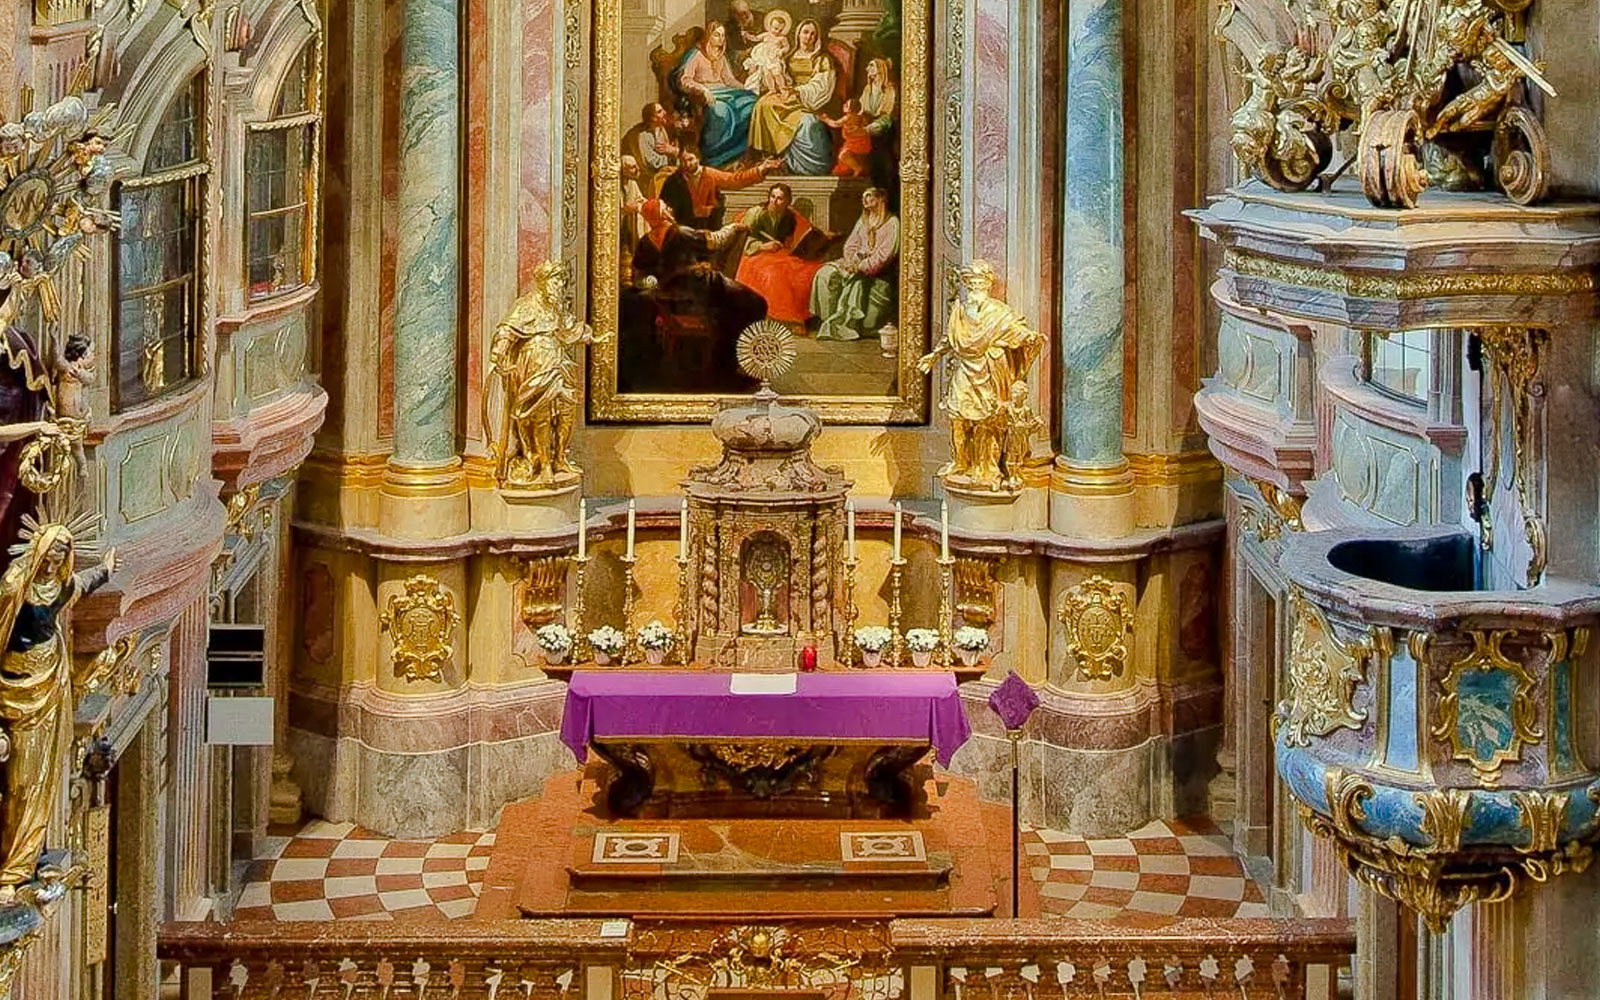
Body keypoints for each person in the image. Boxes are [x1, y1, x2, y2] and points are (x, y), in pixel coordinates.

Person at [0, 521, 118, 901]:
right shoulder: (13, 586)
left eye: (63, 552)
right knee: (19, 782)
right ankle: (12, 863)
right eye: (53, 550)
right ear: (40, 549)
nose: (56, 559)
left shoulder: (59, 586)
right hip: (16, 687)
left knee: (39, 778)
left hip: (49, 681)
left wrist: (107, 569)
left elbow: (80, 585)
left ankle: (20, 864)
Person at [917, 260, 1045, 491]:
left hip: (989, 371)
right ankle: (960, 461)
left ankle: (986, 468)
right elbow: (950, 338)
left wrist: (1029, 337)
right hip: (964, 370)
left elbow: (1015, 330)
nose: (975, 288)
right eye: (971, 283)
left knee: (985, 422)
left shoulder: (999, 312)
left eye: (979, 283)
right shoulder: (960, 310)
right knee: (957, 418)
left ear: (987, 285)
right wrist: (933, 356)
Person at [622, 200, 764, 393]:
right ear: (664, 215)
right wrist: (733, 227)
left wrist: (656, 284)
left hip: (669, 298)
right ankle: (734, 367)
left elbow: (638, 274)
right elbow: (715, 240)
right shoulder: (680, 232)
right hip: (701, 289)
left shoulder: (645, 242)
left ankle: (726, 365)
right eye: (666, 207)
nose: (671, 209)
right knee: (754, 303)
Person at [489, 262, 606, 487]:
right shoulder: (526, 306)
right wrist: (499, 352)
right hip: (536, 365)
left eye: (562, 281)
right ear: (543, 282)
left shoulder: (557, 308)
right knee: (540, 416)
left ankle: (559, 456)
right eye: (556, 280)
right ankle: (543, 464)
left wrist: (593, 338)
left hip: (560, 364)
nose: (560, 285)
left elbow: (570, 329)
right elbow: (507, 330)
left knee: (567, 411)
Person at [748, 19, 837, 175]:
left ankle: (796, 165)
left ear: (817, 38)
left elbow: (822, 86)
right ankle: (768, 156)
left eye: (812, 34)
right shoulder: (788, 57)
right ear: (798, 34)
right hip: (787, 95)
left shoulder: (822, 59)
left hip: (806, 100)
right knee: (763, 104)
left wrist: (798, 91)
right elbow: (780, 74)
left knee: (807, 123)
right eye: (805, 32)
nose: (808, 36)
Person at [810, 187, 899, 341]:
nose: (865, 200)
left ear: (881, 199)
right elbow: (851, 244)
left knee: (855, 283)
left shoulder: (892, 223)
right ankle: (827, 319)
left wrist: (860, 266)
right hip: (854, 262)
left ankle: (845, 324)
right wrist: (850, 261)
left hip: (876, 271)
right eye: (864, 197)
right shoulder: (863, 220)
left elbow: (884, 256)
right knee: (824, 274)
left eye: (870, 196)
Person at [734, 183, 829, 326]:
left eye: (779, 198)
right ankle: (783, 317)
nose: (774, 201)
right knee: (774, 275)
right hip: (753, 255)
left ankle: (806, 314)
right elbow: (740, 238)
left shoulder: (790, 215)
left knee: (802, 273)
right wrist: (762, 246)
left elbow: (799, 237)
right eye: (772, 197)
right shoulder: (756, 212)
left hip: (779, 255)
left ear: (787, 202)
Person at [679, 22, 759, 168]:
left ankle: (737, 154)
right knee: (722, 111)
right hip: (707, 93)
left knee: (752, 102)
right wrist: (703, 89)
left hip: (725, 91)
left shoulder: (721, 57)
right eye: (717, 35)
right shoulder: (698, 55)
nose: (720, 38)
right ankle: (716, 156)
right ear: (709, 36)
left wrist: (747, 89)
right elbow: (685, 80)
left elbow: (729, 80)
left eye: (722, 35)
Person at [659, 149, 781, 231]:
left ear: (698, 159)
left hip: (709, 228)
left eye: (690, 159)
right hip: (684, 230)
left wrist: (762, 168)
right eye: (683, 160)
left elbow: (735, 180)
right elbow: (665, 204)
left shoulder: (710, 174)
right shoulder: (674, 180)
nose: (687, 164)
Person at [620, 103, 679, 196]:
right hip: (649, 180)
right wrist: (671, 157)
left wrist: (672, 152)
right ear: (653, 118)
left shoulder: (661, 130)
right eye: (660, 112)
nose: (665, 112)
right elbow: (651, 162)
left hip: (663, 173)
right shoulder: (643, 136)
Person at [741, 9, 794, 94]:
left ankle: (782, 88)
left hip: (774, 58)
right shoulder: (766, 34)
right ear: (770, 26)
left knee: (777, 73)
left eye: (780, 30)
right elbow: (756, 38)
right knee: (767, 74)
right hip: (765, 58)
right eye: (775, 28)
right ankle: (772, 89)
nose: (777, 32)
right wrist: (747, 35)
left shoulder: (782, 38)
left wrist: (782, 51)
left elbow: (787, 47)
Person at [821, 99, 873, 178]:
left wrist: (826, 119)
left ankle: (857, 168)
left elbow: (835, 124)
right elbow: (865, 125)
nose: (843, 105)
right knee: (845, 157)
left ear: (851, 108)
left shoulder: (847, 117)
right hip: (860, 141)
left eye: (846, 104)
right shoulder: (860, 117)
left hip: (855, 142)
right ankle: (854, 169)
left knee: (843, 155)